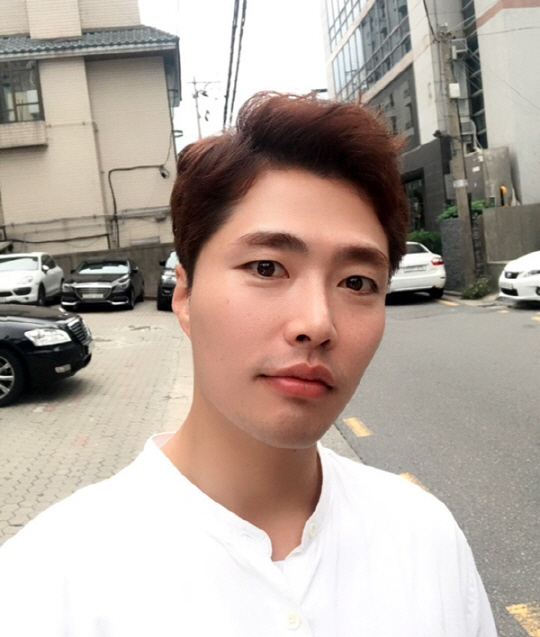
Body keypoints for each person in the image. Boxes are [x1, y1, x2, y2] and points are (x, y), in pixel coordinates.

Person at [0, 93, 497, 636]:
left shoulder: (427, 539)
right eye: (266, 267)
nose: (317, 323)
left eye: (357, 282)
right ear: (184, 295)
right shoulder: (45, 584)